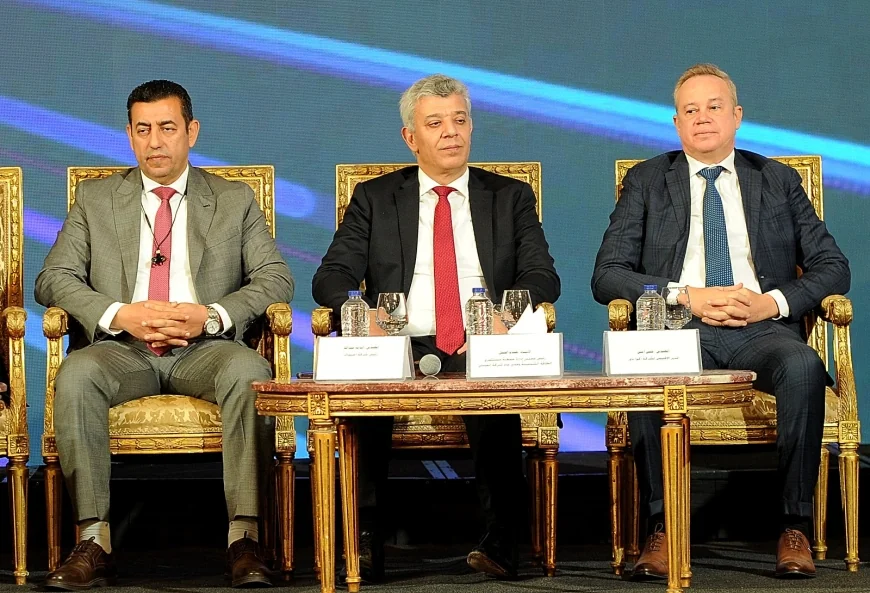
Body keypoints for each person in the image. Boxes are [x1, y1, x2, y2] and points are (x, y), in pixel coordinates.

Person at [591, 63, 850, 579]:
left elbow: (833, 266)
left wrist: (770, 302)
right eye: (690, 110)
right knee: (645, 369)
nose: (702, 118)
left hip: (760, 329)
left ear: (737, 116)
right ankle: (661, 527)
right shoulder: (648, 180)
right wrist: (686, 296)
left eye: (714, 107)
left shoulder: (776, 179)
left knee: (802, 365)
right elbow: (608, 274)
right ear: (676, 123)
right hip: (678, 328)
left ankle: (794, 525)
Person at [35, 80, 294, 589]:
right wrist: (119, 314)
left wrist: (210, 316)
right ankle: (94, 540)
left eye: (167, 128)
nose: (155, 142)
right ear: (129, 135)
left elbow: (275, 278)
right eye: (143, 129)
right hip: (121, 350)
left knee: (250, 372)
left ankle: (244, 538)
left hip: (207, 350)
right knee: (77, 376)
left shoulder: (233, 199)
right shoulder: (96, 198)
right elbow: (53, 278)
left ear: (191, 132)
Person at [313, 74, 560, 581]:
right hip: (400, 340)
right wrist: (365, 315)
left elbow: (542, 275)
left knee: (493, 388)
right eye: (435, 123)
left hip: (480, 337)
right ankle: (364, 541)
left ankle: (500, 542)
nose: (451, 132)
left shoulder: (509, 196)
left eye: (460, 120)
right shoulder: (376, 197)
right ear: (411, 137)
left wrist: (505, 316)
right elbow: (331, 277)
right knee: (368, 392)